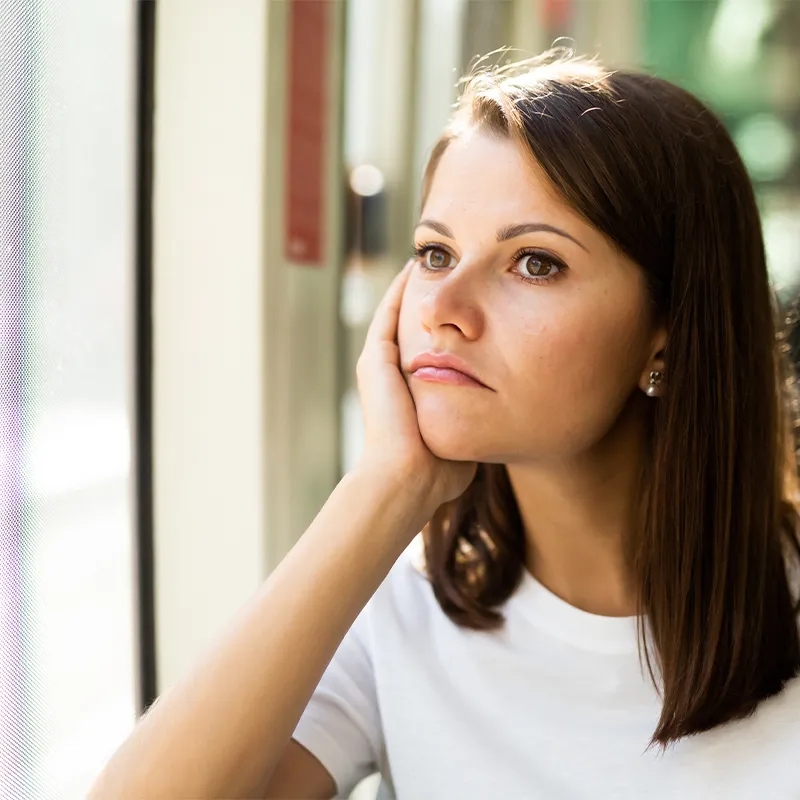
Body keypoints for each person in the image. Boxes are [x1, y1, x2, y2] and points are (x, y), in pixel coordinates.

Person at [88, 49, 800, 799]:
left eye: (534, 263)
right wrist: (387, 487)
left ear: (670, 332)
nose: (442, 310)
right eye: (435, 253)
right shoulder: (400, 603)